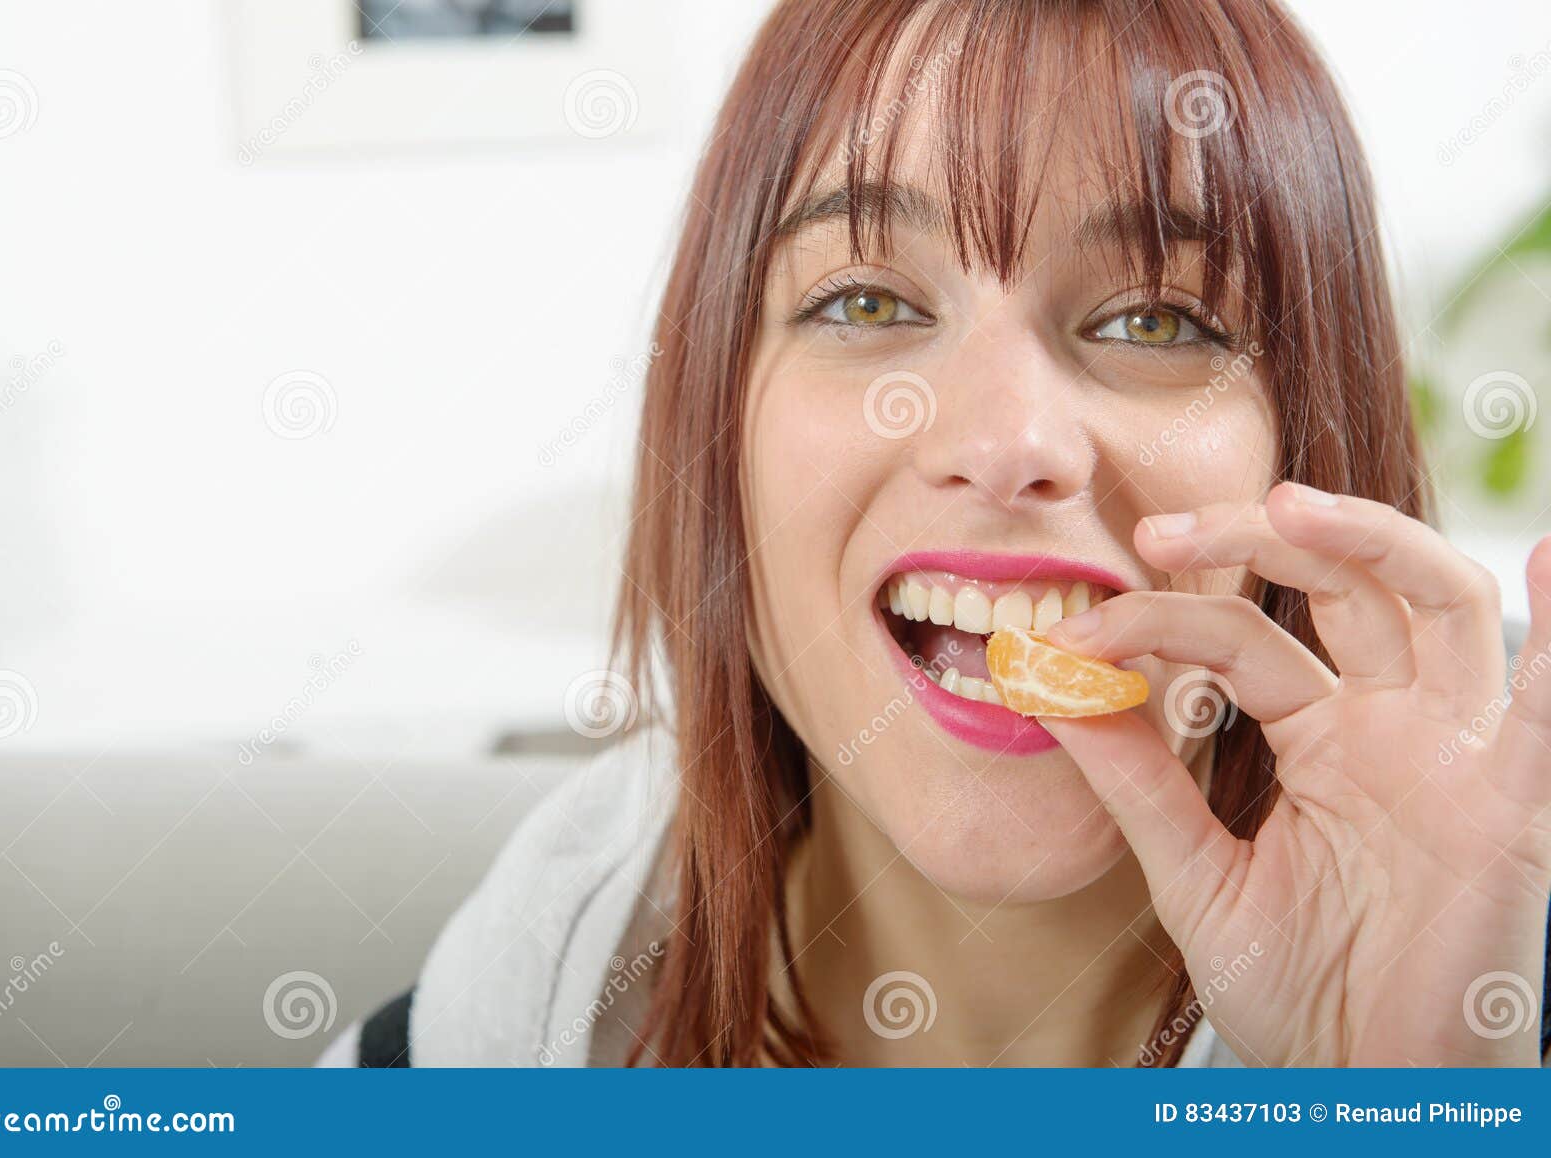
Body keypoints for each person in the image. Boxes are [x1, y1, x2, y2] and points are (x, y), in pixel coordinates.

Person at [325, 0, 1551, 1068]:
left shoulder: (1485, 1030)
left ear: (1311, 449)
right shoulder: (454, 1062)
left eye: (1158, 320)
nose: (1010, 439)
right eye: (865, 300)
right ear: (717, 431)